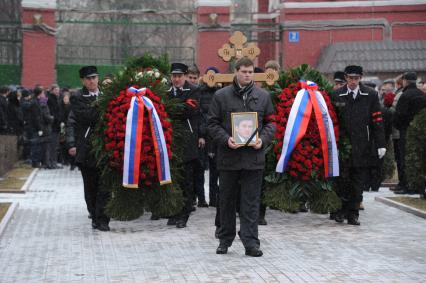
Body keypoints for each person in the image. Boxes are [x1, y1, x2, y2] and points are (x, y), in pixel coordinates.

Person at [208, 57, 275, 257]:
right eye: (244, 71)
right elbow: (212, 124)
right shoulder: (221, 96)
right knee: (226, 201)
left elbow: (271, 123)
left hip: (253, 160)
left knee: (251, 203)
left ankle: (251, 242)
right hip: (229, 158)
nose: (247, 75)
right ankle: (224, 240)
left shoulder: (263, 96)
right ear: (236, 71)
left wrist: (262, 139)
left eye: (250, 71)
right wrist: (226, 139)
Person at [331, 65, 385, 225]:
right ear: (346, 78)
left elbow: (377, 120)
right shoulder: (336, 95)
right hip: (342, 145)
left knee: (358, 181)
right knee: (341, 180)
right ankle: (340, 210)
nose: (353, 81)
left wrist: (381, 144)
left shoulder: (370, 95)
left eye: (356, 78)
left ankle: (353, 213)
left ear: (361, 78)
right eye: (350, 78)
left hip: (362, 145)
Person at [66, 66, 111, 231]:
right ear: (83, 81)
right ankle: (94, 214)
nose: (92, 81)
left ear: (98, 78)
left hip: (107, 148)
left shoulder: (107, 95)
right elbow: (87, 117)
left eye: (94, 78)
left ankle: (103, 219)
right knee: (91, 186)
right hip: (87, 149)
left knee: (105, 186)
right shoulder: (78, 97)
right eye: (88, 79)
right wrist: (103, 108)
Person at [167, 62, 202, 228]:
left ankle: (184, 215)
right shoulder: (166, 92)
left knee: (186, 181)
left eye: (179, 76)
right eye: (174, 76)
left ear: (185, 76)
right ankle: (174, 212)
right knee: (173, 180)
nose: (176, 79)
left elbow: (188, 110)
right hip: (170, 140)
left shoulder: (194, 91)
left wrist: (171, 108)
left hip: (187, 141)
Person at [393, 72, 426, 194]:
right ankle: (417, 185)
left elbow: (399, 115)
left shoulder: (405, 95)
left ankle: (405, 185)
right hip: (420, 132)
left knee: (404, 158)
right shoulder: (422, 95)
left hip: (405, 131)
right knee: (418, 158)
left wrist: (399, 125)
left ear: (405, 81)